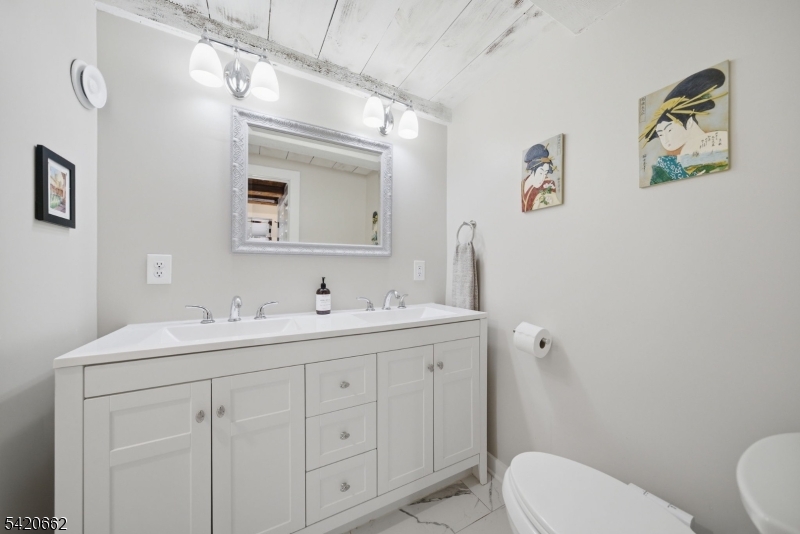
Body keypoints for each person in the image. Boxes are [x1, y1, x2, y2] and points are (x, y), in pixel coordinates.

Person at [640, 67, 729, 185]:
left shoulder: (721, 141)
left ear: (690, 122)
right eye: (660, 134)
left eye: (669, 129)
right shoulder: (664, 168)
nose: (665, 139)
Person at [522, 144, 559, 212]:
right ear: (532, 169)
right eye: (541, 172)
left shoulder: (548, 185)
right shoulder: (523, 183)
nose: (542, 178)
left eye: (545, 173)